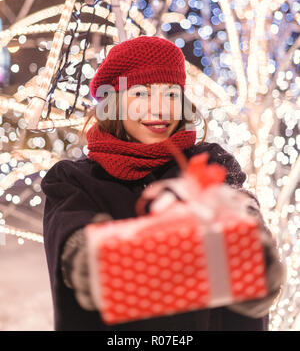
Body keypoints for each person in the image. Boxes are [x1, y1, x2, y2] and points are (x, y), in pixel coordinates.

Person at [41, 35, 284, 331]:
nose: (160, 110)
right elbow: (77, 253)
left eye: (171, 94)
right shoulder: (73, 181)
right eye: (141, 93)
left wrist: (255, 262)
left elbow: (246, 235)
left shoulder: (210, 163)